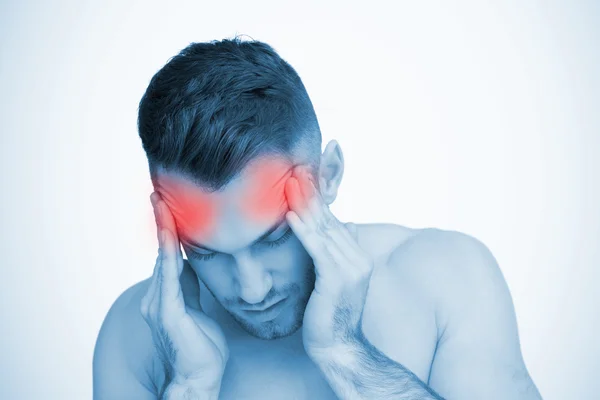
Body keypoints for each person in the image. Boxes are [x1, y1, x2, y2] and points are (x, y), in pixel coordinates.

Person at [92, 37, 542, 400]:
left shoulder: (447, 277)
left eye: (274, 236)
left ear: (327, 175)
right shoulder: (142, 333)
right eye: (205, 250)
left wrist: (346, 354)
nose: (252, 289)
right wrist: (191, 389)